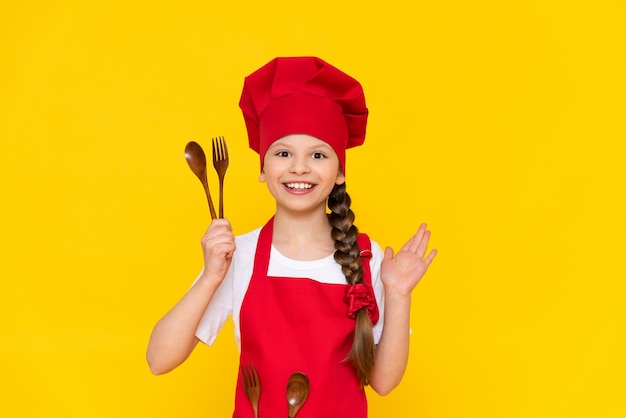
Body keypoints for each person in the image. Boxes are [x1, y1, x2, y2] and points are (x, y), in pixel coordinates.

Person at [146, 56, 437, 417]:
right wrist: (211, 276)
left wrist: (398, 294)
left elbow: (383, 382)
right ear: (263, 169)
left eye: (318, 154)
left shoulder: (366, 257)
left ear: (340, 172)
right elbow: (159, 359)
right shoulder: (241, 256)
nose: (300, 167)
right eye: (283, 153)